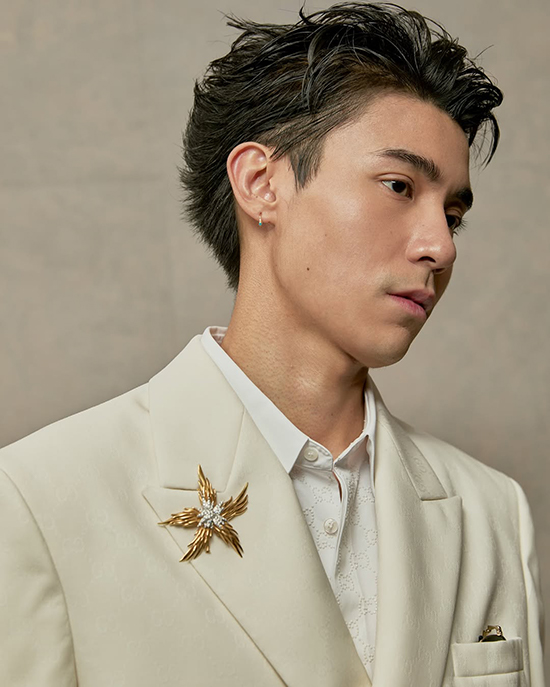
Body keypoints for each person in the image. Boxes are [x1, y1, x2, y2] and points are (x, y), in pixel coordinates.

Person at [0, 2, 545, 685]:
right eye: (399, 186)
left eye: (453, 214)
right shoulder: (41, 499)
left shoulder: (493, 513)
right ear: (261, 184)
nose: (440, 246)